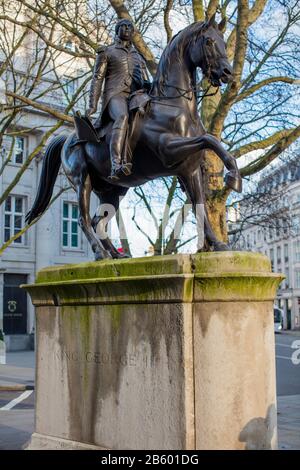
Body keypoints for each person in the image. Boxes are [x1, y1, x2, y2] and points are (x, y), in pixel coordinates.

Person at [87, 19, 151, 180]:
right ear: (117, 30)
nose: (127, 29)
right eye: (124, 26)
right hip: (115, 95)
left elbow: (146, 80)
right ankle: (116, 164)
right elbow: (97, 78)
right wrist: (92, 105)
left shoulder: (138, 56)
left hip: (136, 97)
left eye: (130, 27)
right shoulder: (107, 52)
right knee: (122, 117)